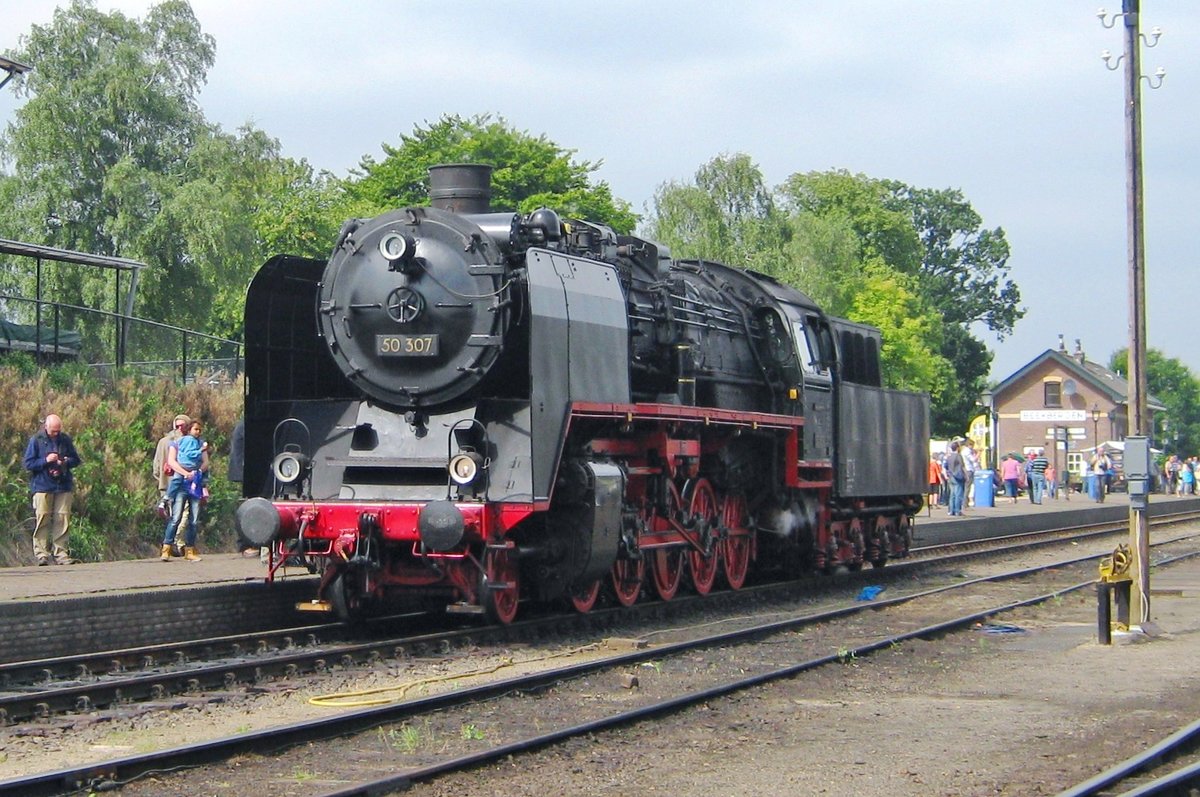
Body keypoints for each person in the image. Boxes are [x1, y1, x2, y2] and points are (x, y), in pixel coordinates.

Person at [23, 414, 83, 565]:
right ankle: (41, 554)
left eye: (58, 431)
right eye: (53, 431)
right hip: (42, 485)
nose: (56, 434)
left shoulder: (65, 439)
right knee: (42, 518)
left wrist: (65, 461)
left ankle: (61, 554)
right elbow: (28, 464)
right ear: (46, 427)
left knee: (62, 519)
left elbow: (76, 460)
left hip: (63, 485)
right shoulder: (36, 440)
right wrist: (46, 461)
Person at [161, 419, 209, 561]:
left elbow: (206, 462)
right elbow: (171, 461)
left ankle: (189, 550)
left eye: (199, 430)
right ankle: (166, 548)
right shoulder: (176, 443)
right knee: (176, 518)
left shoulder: (200, 443)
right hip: (182, 483)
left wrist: (197, 472)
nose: (198, 432)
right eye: (195, 429)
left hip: (195, 483)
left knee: (193, 520)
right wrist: (185, 473)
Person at [153, 413, 192, 553]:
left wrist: (161, 480)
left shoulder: (162, 442)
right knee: (183, 514)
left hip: (166, 485)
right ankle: (175, 543)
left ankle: (171, 545)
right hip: (182, 484)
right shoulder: (187, 443)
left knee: (172, 516)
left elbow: (156, 467)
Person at [944, 441, 967, 516]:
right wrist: (966, 475)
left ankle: (951, 511)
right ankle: (957, 510)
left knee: (952, 494)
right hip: (958, 476)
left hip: (951, 477)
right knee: (958, 494)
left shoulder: (949, 456)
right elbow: (962, 466)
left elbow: (946, 466)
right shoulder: (958, 456)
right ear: (957, 448)